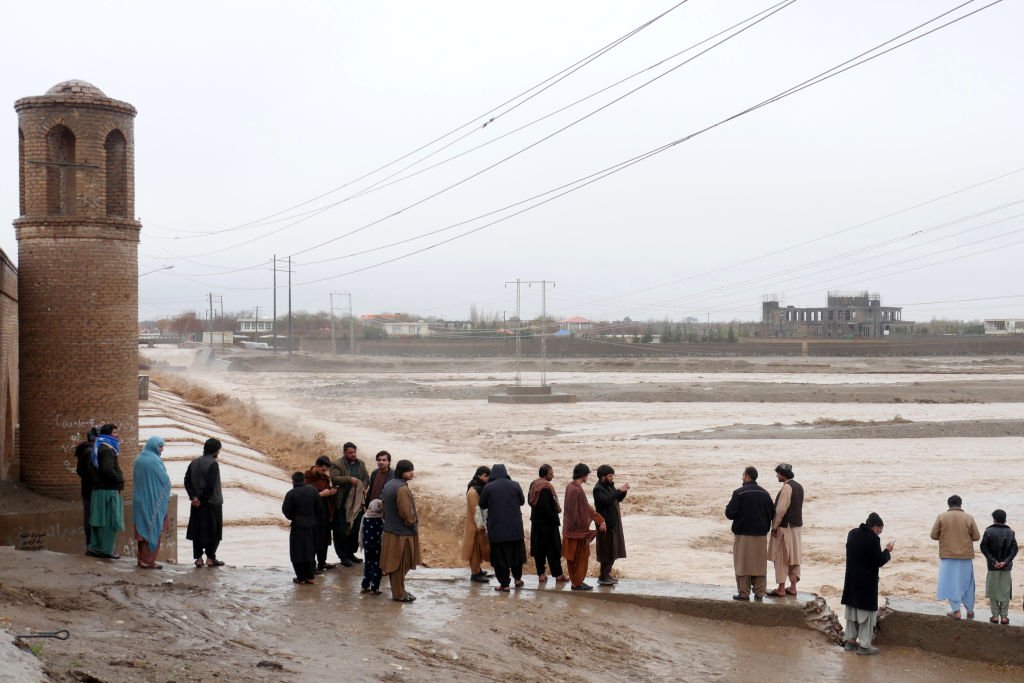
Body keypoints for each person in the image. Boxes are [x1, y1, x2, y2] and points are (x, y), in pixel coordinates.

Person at [841, 512, 894, 656]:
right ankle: (864, 646)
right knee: (866, 615)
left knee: (851, 613)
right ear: (875, 527)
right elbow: (878, 561)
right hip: (866, 583)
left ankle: (850, 642)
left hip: (851, 580)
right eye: (880, 529)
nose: (880, 532)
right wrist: (887, 551)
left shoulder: (852, 533)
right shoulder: (873, 539)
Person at [724, 466, 775, 602]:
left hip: (742, 535)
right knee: (759, 565)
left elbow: (729, 513)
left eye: (743, 475)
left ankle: (744, 593)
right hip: (761, 535)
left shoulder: (739, 493)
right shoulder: (765, 494)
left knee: (742, 564)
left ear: (747, 476)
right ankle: (759, 592)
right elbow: (772, 513)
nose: (742, 478)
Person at [930, 494, 981, 619]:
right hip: (965, 556)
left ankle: (956, 611)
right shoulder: (969, 517)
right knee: (968, 583)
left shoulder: (942, 517)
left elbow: (933, 535)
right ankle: (970, 610)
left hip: (948, 556)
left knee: (951, 583)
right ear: (960, 504)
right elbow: (976, 537)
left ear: (949, 504)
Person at [478, 464, 527, 592]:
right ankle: (517, 579)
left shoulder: (488, 487)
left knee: (500, 559)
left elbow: (482, 504)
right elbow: (522, 501)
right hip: (515, 529)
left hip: (498, 530)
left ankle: (504, 585)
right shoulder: (515, 484)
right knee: (517, 557)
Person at [380, 459, 421, 603]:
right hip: (402, 533)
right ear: (402, 471)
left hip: (390, 530)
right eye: (409, 470)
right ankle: (399, 594)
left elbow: (384, 508)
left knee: (395, 565)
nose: (412, 473)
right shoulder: (402, 488)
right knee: (400, 565)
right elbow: (406, 512)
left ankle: (400, 590)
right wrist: (411, 523)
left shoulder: (389, 484)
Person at [562, 463, 606, 591]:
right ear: (583, 474)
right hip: (576, 532)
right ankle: (577, 583)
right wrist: (597, 522)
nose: (588, 477)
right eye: (587, 474)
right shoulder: (577, 490)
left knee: (573, 558)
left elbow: (582, 508)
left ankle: (576, 582)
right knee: (580, 558)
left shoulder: (570, 486)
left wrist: (599, 520)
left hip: (569, 529)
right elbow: (581, 510)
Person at [184, 438, 226, 568]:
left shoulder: (194, 462)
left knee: (198, 531)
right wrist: (201, 499)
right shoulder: (213, 464)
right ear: (215, 451)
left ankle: (198, 559)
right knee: (214, 531)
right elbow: (210, 486)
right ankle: (210, 558)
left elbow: (187, 481)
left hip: (197, 504)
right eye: (218, 449)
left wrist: (194, 498)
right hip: (212, 503)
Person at [132, 436, 172, 569]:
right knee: (152, 529)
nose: (162, 450)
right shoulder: (154, 461)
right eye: (160, 447)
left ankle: (140, 559)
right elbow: (165, 481)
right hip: (153, 501)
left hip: (139, 500)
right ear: (155, 447)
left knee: (142, 531)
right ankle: (147, 561)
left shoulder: (139, 459)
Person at [86, 424, 125, 559]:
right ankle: (107, 550)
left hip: (98, 490)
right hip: (109, 491)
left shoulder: (97, 447)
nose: (117, 435)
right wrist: (118, 479)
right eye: (115, 433)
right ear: (108, 435)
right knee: (110, 522)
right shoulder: (107, 449)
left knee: (97, 521)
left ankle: (95, 548)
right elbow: (107, 470)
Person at [767, 463, 803, 598]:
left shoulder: (787, 488)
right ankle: (793, 587)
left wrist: (774, 527)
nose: (776, 476)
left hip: (785, 527)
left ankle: (781, 588)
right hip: (796, 527)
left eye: (778, 473)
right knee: (794, 557)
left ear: (783, 474)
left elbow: (781, 510)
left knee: (781, 557)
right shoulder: (799, 486)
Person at [329, 441, 369, 567]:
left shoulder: (361, 464)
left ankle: (351, 553)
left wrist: (363, 486)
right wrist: (349, 479)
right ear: (344, 453)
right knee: (341, 530)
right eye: (350, 452)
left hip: (357, 503)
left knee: (356, 529)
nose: (353, 455)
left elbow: (366, 478)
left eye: (354, 452)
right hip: (342, 502)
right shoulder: (337, 464)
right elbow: (334, 478)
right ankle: (343, 556)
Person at [529, 464, 566, 583]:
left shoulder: (534, 484)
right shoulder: (545, 487)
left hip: (536, 523)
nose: (553, 475)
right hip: (548, 525)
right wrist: (555, 521)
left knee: (539, 550)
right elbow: (546, 508)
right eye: (551, 474)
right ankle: (558, 575)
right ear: (545, 475)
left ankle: (541, 574)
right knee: (553, 551)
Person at [593, 464, 629, 586]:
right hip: (605, 525)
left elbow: (616, 499)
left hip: (613, 524)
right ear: (603, 476)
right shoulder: (598, 489)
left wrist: (623, 492)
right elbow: (606, 501)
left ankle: (606, 575)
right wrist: (618, 490)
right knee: (606, 552)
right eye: (609, 476)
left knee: (613, 551)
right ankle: (603, 576)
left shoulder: (609, 486)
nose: (611, 478)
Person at [980, 509, 1017, 624]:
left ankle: (995, 616)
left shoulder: (989, 531)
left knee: (994, 590)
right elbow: (1014, 550)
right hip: (1006, 568)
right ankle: (1004, 617)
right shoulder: (1011, 532)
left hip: (993, 566)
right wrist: (1005, 562)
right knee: (1005, 591)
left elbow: (983, 547)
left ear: (994, 519)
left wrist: (993, 560)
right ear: (1005, 519)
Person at [282, 471, 319, 585]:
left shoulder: (291, 493)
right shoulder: (313, 490)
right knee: (310, 551)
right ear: (304, 479)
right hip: (312, 526)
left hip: (297, 526)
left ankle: (301, 578)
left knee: (297, 552)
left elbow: (286, 511)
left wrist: (295, 517)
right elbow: (319, 508)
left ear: (293, 481)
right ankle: (310, 577)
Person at [304, 456, 338, 572]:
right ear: (317, 466)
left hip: (325, 512)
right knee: (314, 540)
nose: (325, 472)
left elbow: (326, 491)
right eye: (323, 470)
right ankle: (312, 566)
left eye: (326, 470)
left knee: (324, 539)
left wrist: (332, 492)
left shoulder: (324, 478)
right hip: (313, 514)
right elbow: (304, 497)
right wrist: (320, 494)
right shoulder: (307, 478)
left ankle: (322, 563)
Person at [462, 466, 492, 583]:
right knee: (474, 549)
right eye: (485, 476)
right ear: (479, 476)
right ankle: (475, 574)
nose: (488, 478)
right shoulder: (473, 491)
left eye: (489, 476)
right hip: (474, 525)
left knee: (479, 549)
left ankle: (478, 570)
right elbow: (476, 510)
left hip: (478, 523)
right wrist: (480, 526)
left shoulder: (480, 488)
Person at [74, 426, 99, 550]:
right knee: (91, 518)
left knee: (88, 517)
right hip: (91, 490)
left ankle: (90, 545)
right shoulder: (90, 452)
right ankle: (92, 545)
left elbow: (79, 471)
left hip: (86, 490)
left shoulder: (83, 450)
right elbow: (91, 472)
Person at [359, 498, 385, 594]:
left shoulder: (365, 517)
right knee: (377, 566)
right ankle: (375, 588)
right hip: (377, 547)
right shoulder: (380, 519)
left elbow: (361, 532)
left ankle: (364, 586)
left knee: (367, 565)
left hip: (367, 546)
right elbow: (383, 534)